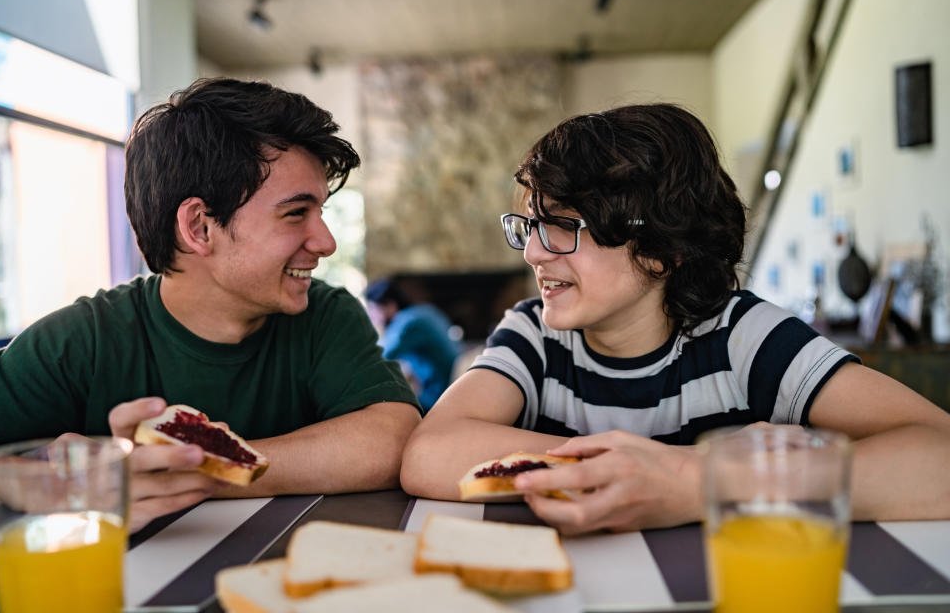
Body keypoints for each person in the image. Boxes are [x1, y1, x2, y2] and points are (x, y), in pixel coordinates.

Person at [400, 104, 950, 535]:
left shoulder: (742, 338)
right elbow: (428, 453)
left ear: (663, 248)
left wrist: (694, 481)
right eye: (532, 225)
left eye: (564, 225)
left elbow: (938, 455)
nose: (533, 254)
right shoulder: (534, 334)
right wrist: (637, 467)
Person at [0, 78, 421, 532]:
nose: (327, 242)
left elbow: (392, 439)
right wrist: (51, 482)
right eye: (296, 213)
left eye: (322, 213)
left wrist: (202, 471)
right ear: (199, 227)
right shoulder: (79, 342)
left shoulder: (325, 316)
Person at [364, 278, 460, 410]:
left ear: (390, 306)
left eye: (373, 309)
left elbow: (379, 357)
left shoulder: (408, 322)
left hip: (438, 396)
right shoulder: (425, 311)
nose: (371, 316)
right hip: (451, 388)